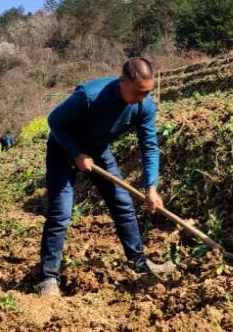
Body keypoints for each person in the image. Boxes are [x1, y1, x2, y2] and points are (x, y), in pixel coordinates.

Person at [36, 57, 174, 297]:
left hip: (98, 151)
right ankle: (48, 278)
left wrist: (151, 186)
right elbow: (54, 121)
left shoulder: (145, 105)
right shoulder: (90, 96)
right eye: (139, 92)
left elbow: (149, 146)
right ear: (123, 82)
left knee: (122, 203)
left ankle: (138, 263)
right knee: (61, 211)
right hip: (63, 149)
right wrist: (76, 154)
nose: (143, 98)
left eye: (148, 92)